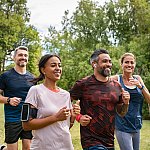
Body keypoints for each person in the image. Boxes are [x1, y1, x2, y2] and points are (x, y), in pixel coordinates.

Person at [69, 49, 130, 150]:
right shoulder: (83, 84)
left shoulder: (116, 86)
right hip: (90, 140)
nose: (109, 64)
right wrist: (79, 117)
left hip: (109, 141)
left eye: (110, 61)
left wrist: (126, 103)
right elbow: (66, 101)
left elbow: (121, 113)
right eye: (104, 61)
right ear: (94, 64)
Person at [21, 54, 80, 150]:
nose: (58, 68)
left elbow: (64, 127)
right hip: (42, 147)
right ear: (43, 70)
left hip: (66, 146)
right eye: (53, 65)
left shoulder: (66, 94)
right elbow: (26, 125)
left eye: (59, 65)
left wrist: (72, 117)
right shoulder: (35, 91)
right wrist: (55, 117)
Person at [111, 52, 150, 150]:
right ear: (122, 64)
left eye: (132, 62)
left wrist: (140, 86)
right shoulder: (116, 79)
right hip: (122, 126)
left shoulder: (138, 79)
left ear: (135, 64)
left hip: (136, 125)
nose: (129, 65)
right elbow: (101, 81)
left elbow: (149, 100)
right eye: (126, 62)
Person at [0, 46, 34, 150]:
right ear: (14, 58)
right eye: (20, 55)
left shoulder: (32, 78)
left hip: (28, 118)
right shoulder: (6, 76)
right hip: (12, 118)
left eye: (25, 55)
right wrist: (8, 100)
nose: (23, 57)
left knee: (28, 148)